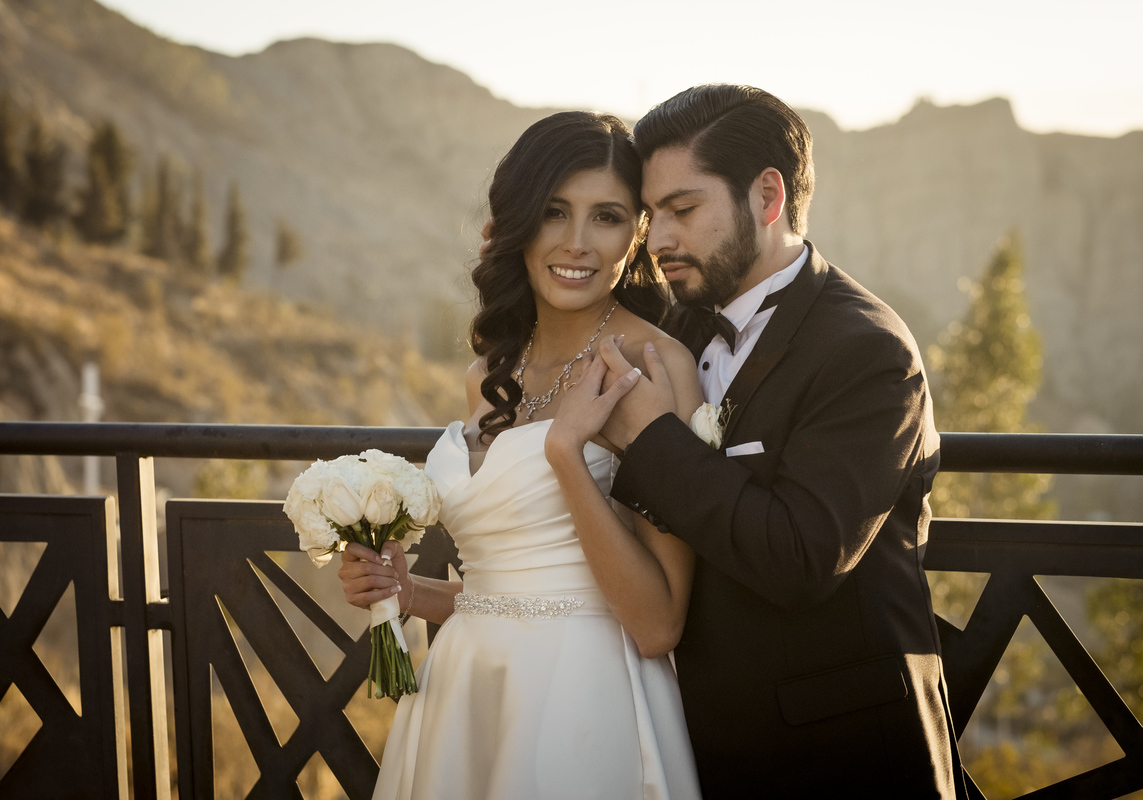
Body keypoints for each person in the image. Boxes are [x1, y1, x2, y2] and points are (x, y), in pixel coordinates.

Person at [582, 85, 967, 797]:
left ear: (767, 196)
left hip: (838, 757)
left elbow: (801, 559)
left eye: (682, 210)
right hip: (689, 745)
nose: (657, 240)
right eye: (651, 215)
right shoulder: (676, 329)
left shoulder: (866, 350)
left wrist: (654, 439)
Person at [338, 111, 704, 800]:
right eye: (553, 212)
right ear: (517, 222)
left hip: (585, 706)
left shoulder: (654, 368)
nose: (576, 242)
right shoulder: (489, 374)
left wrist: (566, 456)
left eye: (606, 217)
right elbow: (507, 596)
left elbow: (659, 623)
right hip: (466, 691)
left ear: (637, 233)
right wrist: (406, 591)